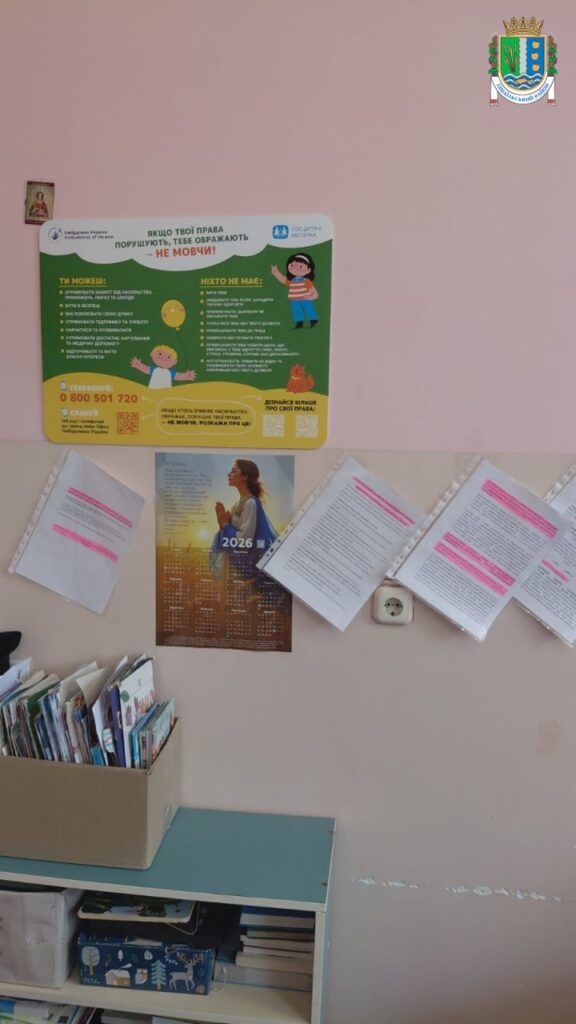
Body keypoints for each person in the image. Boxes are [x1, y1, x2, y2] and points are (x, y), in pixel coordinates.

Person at [271, 252, 319, 328]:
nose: (295, 268)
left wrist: (311, 297)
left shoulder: (306, 281)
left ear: (308, 270)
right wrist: (276, 273)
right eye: (292, 265)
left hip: (305, 299)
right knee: (296, 311)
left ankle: (313, 320)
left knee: (308, 309)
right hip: (294, 300)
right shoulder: (292, 280)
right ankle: (299, 323)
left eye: (300, 266)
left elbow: (314, 292)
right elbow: (282, 279)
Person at [131, 345, 196, 388]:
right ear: (152, 354)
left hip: (165, 393)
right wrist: (138, 365)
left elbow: (178, 376)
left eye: (168, 357)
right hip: (152, 390)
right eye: (160, 354)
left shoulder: (170, 372)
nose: (163, 358)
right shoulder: (154, 369)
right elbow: (145, 369)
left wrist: (187, 376)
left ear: (175, 362)